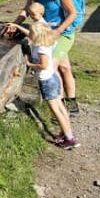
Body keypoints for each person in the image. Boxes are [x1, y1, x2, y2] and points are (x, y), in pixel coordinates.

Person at [3, 0, 80, 114]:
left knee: (52, 65)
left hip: (63, 34)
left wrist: (58, 31)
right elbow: (26, 9)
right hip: (45, 35)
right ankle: (71, 101)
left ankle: (61, 104)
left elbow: (72, 14)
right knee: (64, 67)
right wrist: (16, 23)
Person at [25, 20, 78, 149]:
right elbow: (29, 33)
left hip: (47, 81)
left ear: (37, 35)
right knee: (60, 107)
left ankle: (69, 139)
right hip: (53, 78)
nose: (29, 34)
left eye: (31, 32)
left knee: (55, 110)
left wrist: (29, 64)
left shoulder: (41, 48)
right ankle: (67, 132)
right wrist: (16, 26)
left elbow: (42, 65)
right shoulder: (47, 42)